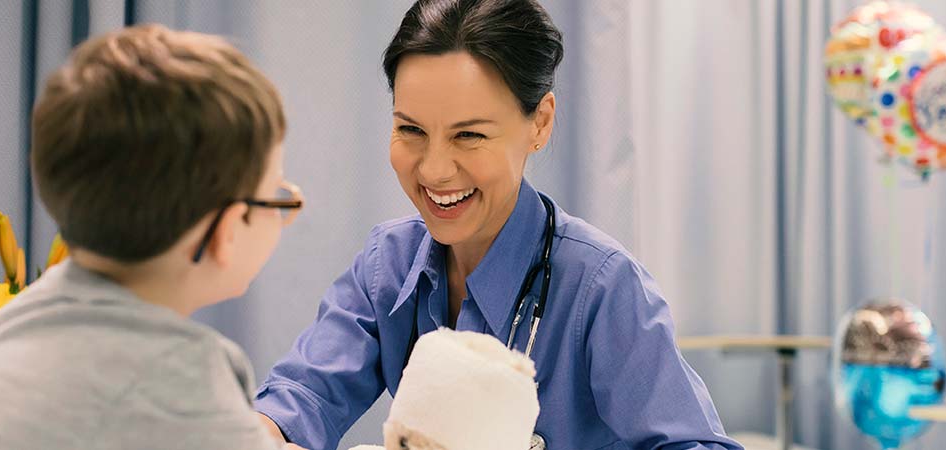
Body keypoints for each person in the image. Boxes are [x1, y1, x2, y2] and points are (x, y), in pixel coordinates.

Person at [254, 1, 743, 449]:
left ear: (540, 122)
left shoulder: (601, 287)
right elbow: (301, 398)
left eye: (469, 135)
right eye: (411, 130)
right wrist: (258, 433)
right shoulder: (388, 265)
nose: (434, 170)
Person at [0, 24, 304, 450]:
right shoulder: (187, 374)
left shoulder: (16, 323)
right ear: (226, 231)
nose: (288, 208)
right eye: (277, 197)